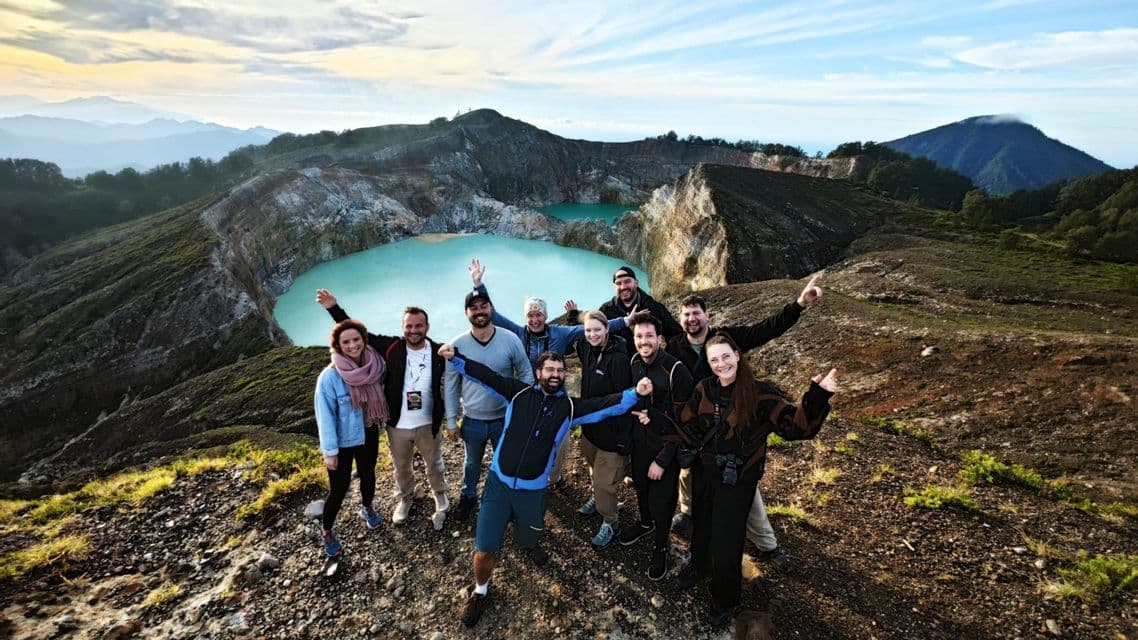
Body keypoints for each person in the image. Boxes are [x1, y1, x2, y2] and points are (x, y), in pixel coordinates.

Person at [437, 344, 652, 628]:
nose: (555, 374)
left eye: (560, 370)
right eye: (549, 369)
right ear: (538, 372)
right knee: (485, 549)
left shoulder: (569, 407)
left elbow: (605, 405)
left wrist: (636, 393)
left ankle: (529, 541)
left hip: (534, 490)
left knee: (529, 537)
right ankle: (480, 591)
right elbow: (486, 376)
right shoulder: (518, 393)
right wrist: (457, 358)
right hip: (499, 484)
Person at [676, 334, 838, 626]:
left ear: (737, 355)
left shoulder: (760, 394)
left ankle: (725, 599)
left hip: (737, 481)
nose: (721, 364)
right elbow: (687, 422)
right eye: (714, 359)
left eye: (726, 356)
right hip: (705, 473)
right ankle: (699, 566)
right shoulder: (704, 389)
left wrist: (817, 397)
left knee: (727, 541)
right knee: (702, 526)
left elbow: (795, 427)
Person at [668, 276, 823, 571]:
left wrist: (799, 305)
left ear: (707, 316)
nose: (691, 319)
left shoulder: (727, 339)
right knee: (689, 474)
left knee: (743, 488)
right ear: (680, 319)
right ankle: (689, 512)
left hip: (733, 428)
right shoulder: (674, 346)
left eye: (696, 313)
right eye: (686, 315)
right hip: (698, 428)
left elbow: (765, 330)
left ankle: (767, 545)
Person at [316, 290, 451, 529]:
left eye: (419, 325)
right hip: (397, 423)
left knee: (434, 462)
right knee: (401, 466)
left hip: (428, 422)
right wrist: (333, 308)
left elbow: (466, 353)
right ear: (403, 327)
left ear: (427, 327)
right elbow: (356, 335)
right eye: (409, 326)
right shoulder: (391, 347)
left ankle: (439, 493)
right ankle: (405, 498)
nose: (414, 330)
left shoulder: (438, 351)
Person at [445, 287, 534, 521]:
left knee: (506, 461)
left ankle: (506, 500)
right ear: (466, 313)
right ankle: (469, 495)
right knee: (472, 462)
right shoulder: (457, 345)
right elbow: (451, 386)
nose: (479, 311)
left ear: (491, 308)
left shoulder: (510, 339)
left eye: (483, 306)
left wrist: (523, 407)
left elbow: (526, 374)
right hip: (473, 419)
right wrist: (452, 420)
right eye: (473, 308)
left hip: (504, 417)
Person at [618, 315, 693, 581]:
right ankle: (645, 523)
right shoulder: (635, 362)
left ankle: (661, 545)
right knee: (641, 488)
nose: (643, 341)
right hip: (639, 445)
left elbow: (684, 423)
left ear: (659, 338)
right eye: (639, 336)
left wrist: (663, 460)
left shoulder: (676, 371)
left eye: (649, 336)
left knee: (662, 502)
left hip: (664, 450)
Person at [313, 319, 389, 557]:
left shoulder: (375, 366)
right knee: (339, 488)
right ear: (337, 345)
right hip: (342, 441)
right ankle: (326, 530)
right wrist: (330, 451)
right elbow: (324, 416)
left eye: (356, 339)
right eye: (346, 342)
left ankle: (367, 508)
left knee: (368, 475)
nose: (352, 345)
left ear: (363, 340)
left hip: (368, 430)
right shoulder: (329, 377)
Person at [573, 310, 635, 550]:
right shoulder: (586, 348)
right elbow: (575, 340)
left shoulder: (618, 359)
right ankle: (599, 499)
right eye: (588, 330)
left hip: (612, 435)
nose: (592, 334)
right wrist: (571, 319)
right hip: (591, 429)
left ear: (607, 329)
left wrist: (623, 438)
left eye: (597, 329)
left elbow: (625, 400)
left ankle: (611, 521)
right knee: (592, 470)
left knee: (604, 482)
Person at [569, 265, 683, 345]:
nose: (623, 287)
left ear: (636, 283)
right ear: (614, 287)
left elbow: (676, 336)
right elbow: (590, 331)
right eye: (618, 283)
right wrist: (573, 316)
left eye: (627, 281)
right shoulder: (607, 309)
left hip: (644, 366)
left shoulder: (653, 307)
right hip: (616, 367)